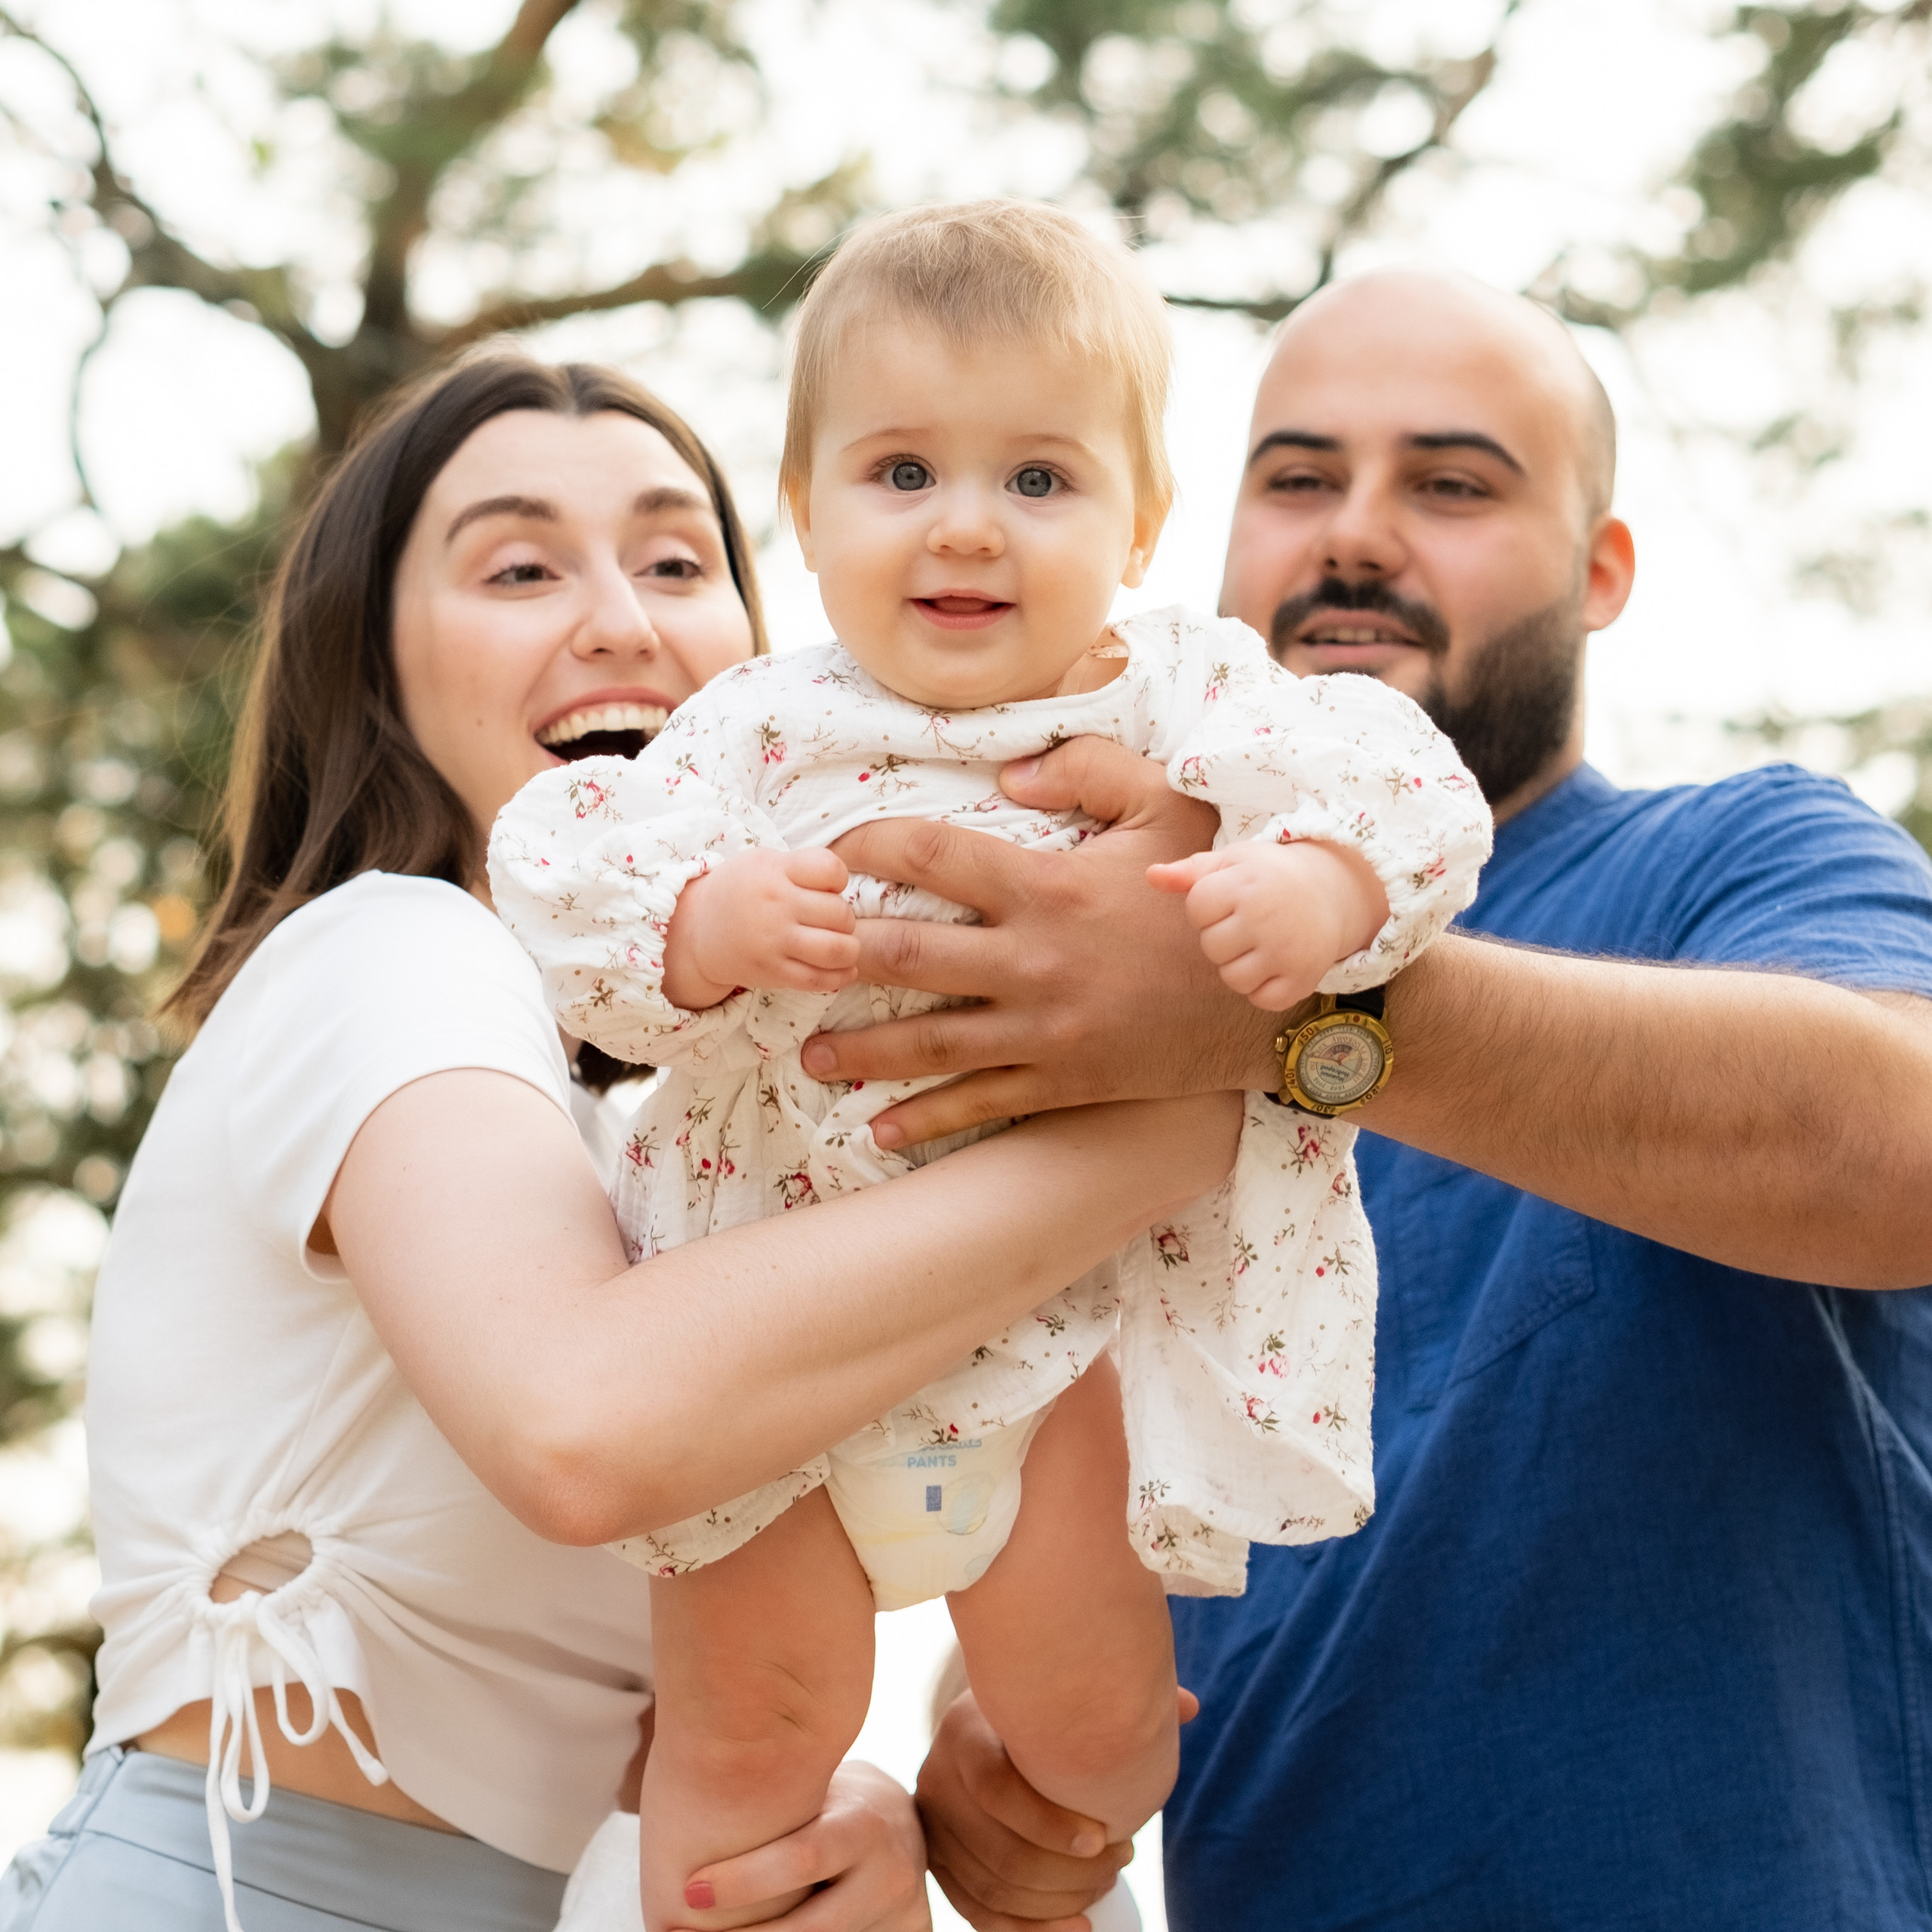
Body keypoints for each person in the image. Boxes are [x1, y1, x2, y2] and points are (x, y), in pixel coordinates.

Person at [0, 352, 1242, 1932]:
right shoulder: (389, 949)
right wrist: (1172, 1120)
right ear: (375, 670)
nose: (620, 619)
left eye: (676, 561)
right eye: (520, 568)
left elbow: (670, 1714)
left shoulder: (665, 1141)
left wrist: (849, 1814)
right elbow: (580, 1424)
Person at [790, 269, 1932, 1930]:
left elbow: (1894, 1148)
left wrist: (1302, 1008)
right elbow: (1073, 1457)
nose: (1354, 535)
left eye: (1451, 483)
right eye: (1298, 477)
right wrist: (987, 1739)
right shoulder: (1101, 971)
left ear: (1599, 570)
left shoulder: (1742, 857)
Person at [488, 203, 1489, 1932]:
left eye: (1036, 479)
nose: (965, 524)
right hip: (774, 1337)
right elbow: (573, 884)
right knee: (745, 1742)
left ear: (1139, 521)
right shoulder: (751, 726)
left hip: (1060, 1333)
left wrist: (1312, 877)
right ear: (801, 511)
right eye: (898, 473)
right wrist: (708, 920)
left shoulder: (1183, 696)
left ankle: (1011, 1834)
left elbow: (1394, 781)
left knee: (1103, 1746)